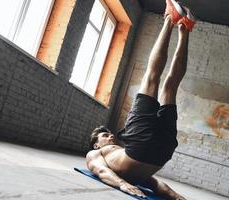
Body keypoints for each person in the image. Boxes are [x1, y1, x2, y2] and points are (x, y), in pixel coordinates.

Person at [86, 0, 195, 199]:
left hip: (160, 153)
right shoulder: (95, 155)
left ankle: (185, 30)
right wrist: (122, 185)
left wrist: (176, 196)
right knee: (152, 79)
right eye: (104, 136)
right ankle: (170, 19)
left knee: (170, 86)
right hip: (147, 148)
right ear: (96, 145)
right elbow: (101, 171)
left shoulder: (123, 156)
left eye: (108, 134)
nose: (110, 136)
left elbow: (156, 184)